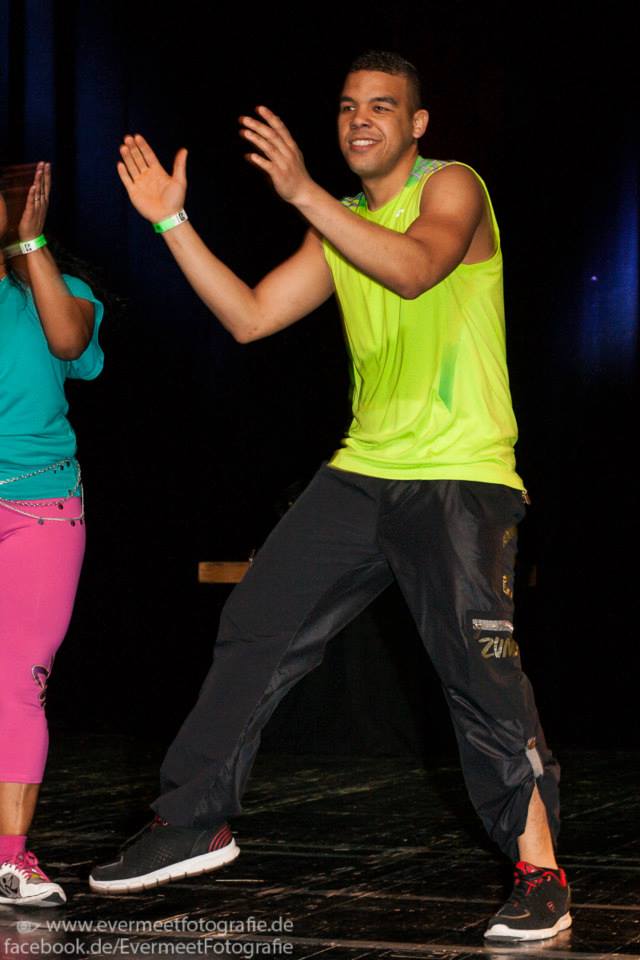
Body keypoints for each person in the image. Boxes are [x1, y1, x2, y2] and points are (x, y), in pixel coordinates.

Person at [90, 51, 569, 941]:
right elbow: (250, 316)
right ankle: (192, 821)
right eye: (349, 107)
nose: (360, 120)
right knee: (257, 621)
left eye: (382, 107)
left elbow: (416, 269)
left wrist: (306, 193)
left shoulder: (451, 187)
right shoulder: (338, 224)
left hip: (459, 473)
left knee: (477, 674)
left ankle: (540, 871)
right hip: (363, 471)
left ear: (417, 125)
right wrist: (171, 222)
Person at [0, 162, 104, 906]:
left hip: (39, 512)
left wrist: (30, 243)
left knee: (15, 683)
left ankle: (9, 858)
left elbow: (70, 342)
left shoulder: (60, 294)